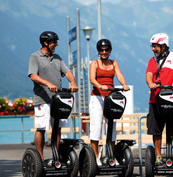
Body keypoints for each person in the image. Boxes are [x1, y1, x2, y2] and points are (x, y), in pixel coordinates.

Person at [28, 31, 79, 160]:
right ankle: (39, 158)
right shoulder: (35, 57)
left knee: (58, 128)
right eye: (54, 42)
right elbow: (33, 75)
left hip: (58, 99)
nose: (56, 44)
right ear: (46, 43)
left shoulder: (57, 57)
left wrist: (73, 82)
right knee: (41, 128)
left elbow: (67, 72)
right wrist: (47, 83)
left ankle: (56, 157)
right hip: (42, 99)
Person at [146, 33, 173, 166]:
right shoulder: (152, 61)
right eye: (152, 46)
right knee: (156, 129)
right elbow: (149, 75)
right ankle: (158, 156)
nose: (153, 49)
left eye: (155, 46)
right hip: (155, 100)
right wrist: (150, 84)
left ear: (163, 46)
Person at [89, 38, 130, 166]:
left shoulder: (114, 63)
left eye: (106, 50)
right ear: (98, 51)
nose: (104, 52)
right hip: (97, 97)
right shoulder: (94, 63)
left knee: (111, 127)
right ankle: (95, 157)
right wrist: (100, 86)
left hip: (110, 97)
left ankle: (111, 156)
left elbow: (119, 75)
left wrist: (124, 84)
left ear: (110, 50)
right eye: (101, 50)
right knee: (96, 127)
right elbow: (92, 79)